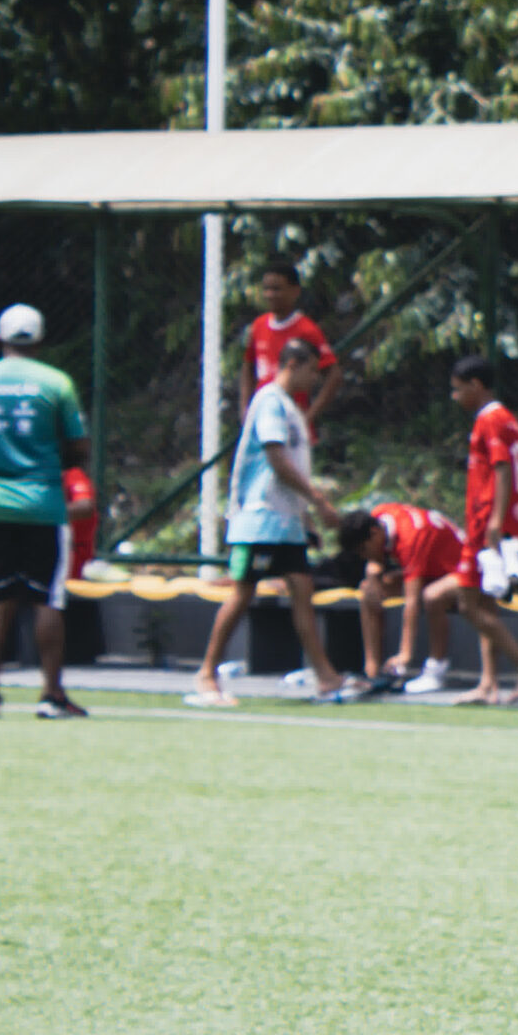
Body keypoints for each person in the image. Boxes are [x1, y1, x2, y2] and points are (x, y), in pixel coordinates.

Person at [186, 340, 354, 707]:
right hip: (259, 520)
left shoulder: (291, 408)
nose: (315, 378)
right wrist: (319, 500)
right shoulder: (269, 402)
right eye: (312, 370)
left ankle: (326, 677)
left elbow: (294, 466)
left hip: (287, 523)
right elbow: (277, 460)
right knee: (243, 593)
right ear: (292, 364)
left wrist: (305, 517)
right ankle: (207, 674)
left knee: (302, 591)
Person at [0, 305, 90, 717]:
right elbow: (78, 446)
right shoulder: (57, 383)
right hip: (44, 506)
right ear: (40, 340)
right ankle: (51, 695)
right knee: (47, 600)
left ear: (1, 338)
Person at [448, 356, 518, 704]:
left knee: (467, 604)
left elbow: (502, 470)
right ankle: (488, 684)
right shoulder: (504, 419)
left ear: (476, 385)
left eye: (458, 390)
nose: (455, 397)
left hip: (486, 522)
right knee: (486, 603)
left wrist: (494, 522)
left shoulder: (491, 420)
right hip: (496, 520)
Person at [336, 502, 468, 693]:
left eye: (364, 550)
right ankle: (372, 672)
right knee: (369, 591)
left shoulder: (411, 537)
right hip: (434, 573)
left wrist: (404, 654)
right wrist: (372, 575)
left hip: (466, 571)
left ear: (374, 533)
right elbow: (375, 563)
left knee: (431, 596)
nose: (365, 556)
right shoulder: (379, 514)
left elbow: (412, 601)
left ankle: (435, 671)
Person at [245, 258, 341, 435]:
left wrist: (308, 417)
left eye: (276, 289)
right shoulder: (258, 326)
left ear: (295, 291)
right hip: (264, 421)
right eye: (266, 289)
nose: (270, 295)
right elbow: (248, 368)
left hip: (292, 425)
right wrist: (245, 412)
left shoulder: (307, 330)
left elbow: (333, 375)